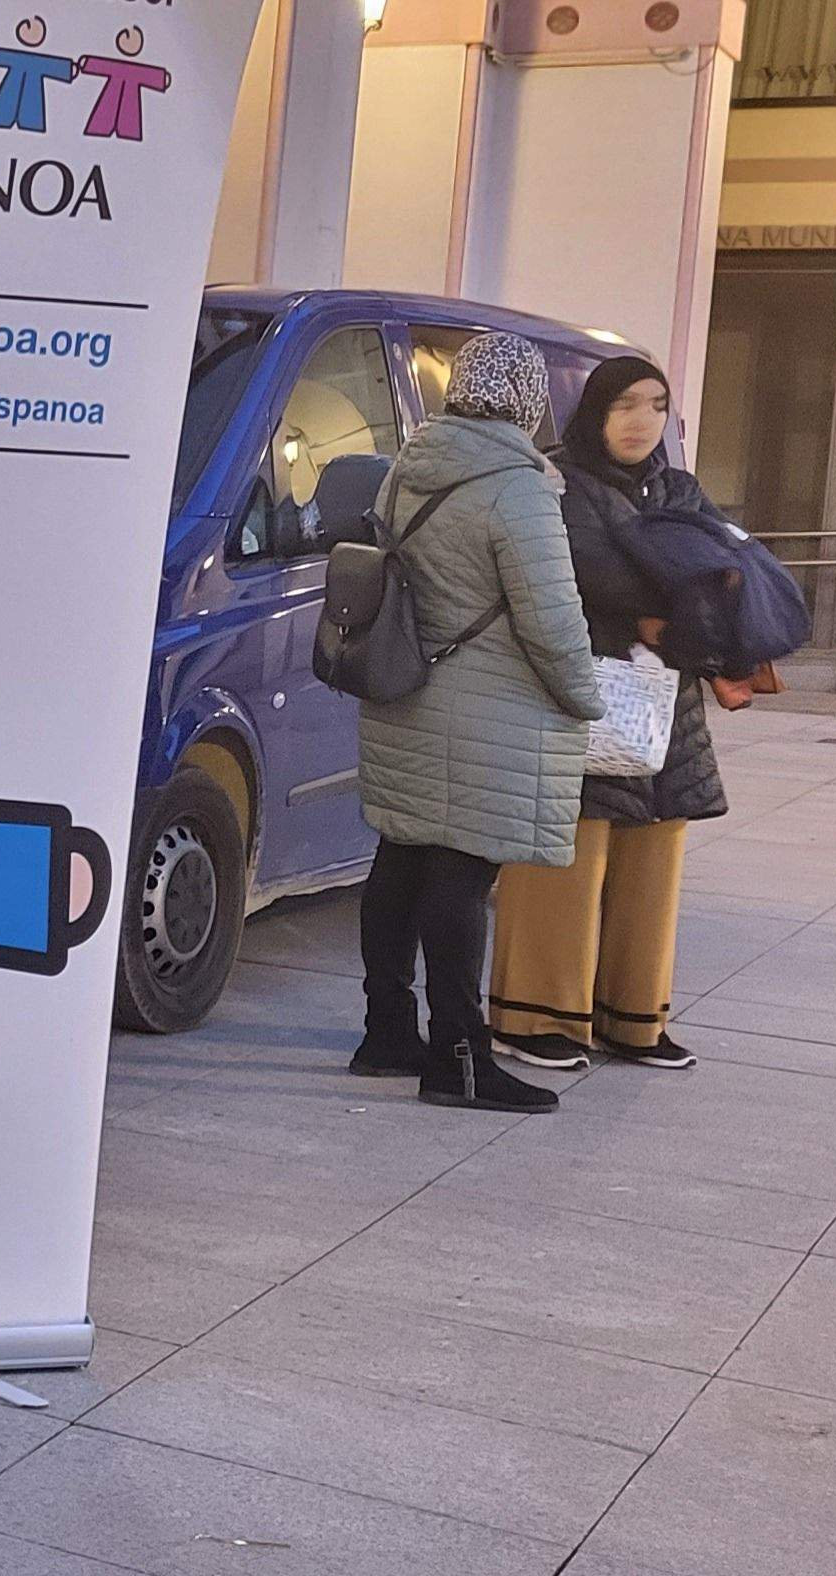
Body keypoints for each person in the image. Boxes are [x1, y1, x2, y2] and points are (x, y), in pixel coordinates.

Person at [351, 333, 607, 1112]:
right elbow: (553, 621)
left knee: (401, 859)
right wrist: (588, 697)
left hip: (406, 691)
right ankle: (459, 1060)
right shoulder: (517, 485)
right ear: (530, 400)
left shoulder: (412, 462)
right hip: (488, 708)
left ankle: (388, 1032)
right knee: (461, 875)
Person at [490, 358, 721, 1071]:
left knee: (653, 861)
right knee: (565, 854)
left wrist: (682, 596)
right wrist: (675, 586)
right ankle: (535, 1019)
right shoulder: (557, 482)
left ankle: (633, 1018)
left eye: (655, 405)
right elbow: (590, 572)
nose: (640, 420)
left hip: (665, 706)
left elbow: (719, 577)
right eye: (624, 404)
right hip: (578, 695)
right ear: (593, 410)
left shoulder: (677, 488)